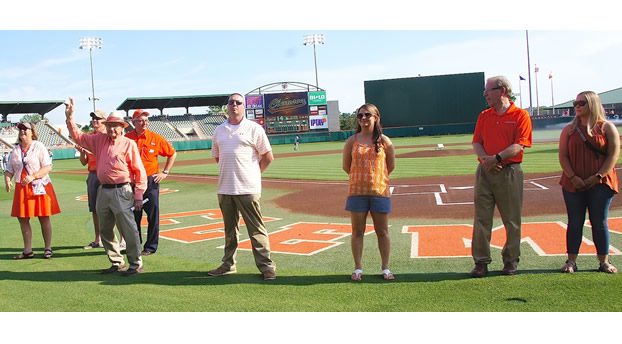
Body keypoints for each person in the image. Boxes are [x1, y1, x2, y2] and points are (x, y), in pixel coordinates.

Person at [65, 98, 147, 276]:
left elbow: (139, 171)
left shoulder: (128, 144)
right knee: (105, 228)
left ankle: (135, 262)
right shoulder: (99, 140)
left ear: (123, 127)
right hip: (104, 190)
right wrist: (70, 117)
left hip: (122, 189)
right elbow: (78, 136)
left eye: (115, 125)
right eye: (109, 125)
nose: (112, 129)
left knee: (128, 228)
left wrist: (139, 194)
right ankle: (116, 262)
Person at [208, 93, 277, 280]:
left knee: (256, 229)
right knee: (230, 230)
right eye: (231, 102)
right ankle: (228, 264)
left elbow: (268, 157)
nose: (234, 105)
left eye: (238, 102)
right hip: (225, 189)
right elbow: (218, 157)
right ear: (227, 107)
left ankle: (267, 267)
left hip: (248, 188)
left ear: (243, 106)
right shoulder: (219, 130)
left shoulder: (254, 128)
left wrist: (253, 174)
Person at [471, 75, 532, 277]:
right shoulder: (484, 115)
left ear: (502, 91)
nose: (485, 94)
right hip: (485, 171)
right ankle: (481, 262)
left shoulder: (520, 115)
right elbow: (477, 142)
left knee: (511, 220)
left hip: (509, 172)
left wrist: (496, 158)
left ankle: (511, 261)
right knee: (481, 219)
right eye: (484, 91)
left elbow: (519, 145)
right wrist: (486, 160)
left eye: (489, 90)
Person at [558, 91, 619, 274]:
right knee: (575, 221)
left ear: (592, 104)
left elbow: (613, 155)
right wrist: (573, 177)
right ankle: (571, 261)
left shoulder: (606, 128)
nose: (577, 106)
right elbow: (563, 156)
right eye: (575, 102)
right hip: (572, 183)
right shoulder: (568, 130)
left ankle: (604, 261)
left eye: (582, 103)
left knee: (599, 221)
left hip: (601, 183)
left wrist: (598, 176)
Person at [342, 103, 395, 281]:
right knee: (357, 231)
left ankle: (386, 268)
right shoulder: (352, 141)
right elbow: (346, 166)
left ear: (376, 117)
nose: (363, 118)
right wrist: (361, 177)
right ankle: (358, 268)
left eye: (367, 115)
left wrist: (375, 178)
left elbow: (391, 167)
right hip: (357, 192)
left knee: (383, 232)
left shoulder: (385, 141)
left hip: (379, 191)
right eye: (360, 116)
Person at [3, 122, 61, 259]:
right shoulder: (15, 150)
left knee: (43, 217)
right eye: (20, 129)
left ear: (32, 131)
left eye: (25, 129)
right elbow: (9, 169)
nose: (22, 131)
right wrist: (7, 179)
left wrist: (33, 176)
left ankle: (48, 248)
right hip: (22, 188)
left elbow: (47, 167)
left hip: (39, 186)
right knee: (23, 219)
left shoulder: (39, 146)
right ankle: (27, 250)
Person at [126, 109, 177, 255]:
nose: (144, 123)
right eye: (141, 120)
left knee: (153, 215)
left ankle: (150, 247)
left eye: (146, 121)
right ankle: (135, 245)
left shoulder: (155, 138)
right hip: (133, 182)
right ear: (133, 122)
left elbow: (172, 154)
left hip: (151, 181)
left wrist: (165, 172)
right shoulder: (127, 138)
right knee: (134, 216)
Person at [78, 110, 126, 250]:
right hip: (93, 174)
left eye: (98, 119)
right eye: (93, 119)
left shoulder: (108, 138)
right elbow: (83, 162)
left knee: (116, 209)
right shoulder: (89, 138)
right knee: (94, 209)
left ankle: (122, 239)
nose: (94, 121)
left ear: (105, 121)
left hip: (108, 176)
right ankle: (97, 239)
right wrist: (82, 152)